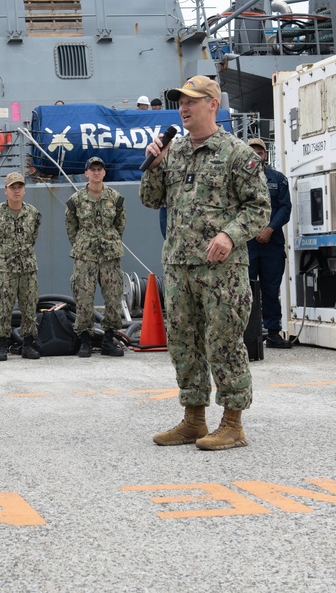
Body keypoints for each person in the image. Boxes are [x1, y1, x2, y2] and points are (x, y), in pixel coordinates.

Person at [139, 75, 269, 451]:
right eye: (180, 101)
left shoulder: (236, 153)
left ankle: (232, 423)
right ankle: (194, 419)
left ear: (212, 104)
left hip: (221, 271)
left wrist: (229, 234)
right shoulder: (175, 151)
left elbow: (259, 208)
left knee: (223, 342)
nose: (184, 107)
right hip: (180, 266)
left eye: (192, 101)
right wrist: (156, 164)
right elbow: (152, 199)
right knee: (184, 343)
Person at [65, 156, 126, 357]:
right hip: (85, 257)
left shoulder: (115, 198)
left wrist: (109, 241)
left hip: (110, 255)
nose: (97, 172)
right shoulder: (76, 200)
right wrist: (83, 244)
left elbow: (119, 225)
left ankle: (109, 340)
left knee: (113, 297)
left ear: (104, 173)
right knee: (83, 297)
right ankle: (85, 340)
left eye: (100, 169)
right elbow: (71, 228)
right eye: (93, 169)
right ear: (87, 173)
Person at [0, 172, 42, 361]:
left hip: (28, 268)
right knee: (3, 307)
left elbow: (33, 237)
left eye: (20, 187)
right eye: (12, 188)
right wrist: (2, 257)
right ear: (5, 190)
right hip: (5, 269)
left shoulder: (33, 213)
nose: (16, 191)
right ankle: (1, 345)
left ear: (24, 190)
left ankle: (28, 345)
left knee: (29, 307)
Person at [246, 138, 293, 349]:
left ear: (265, 155)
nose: (257, 156)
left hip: (272, 243)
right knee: (245, 289)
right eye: (252, 152)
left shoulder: (278, 179)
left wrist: (269, 229)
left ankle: (273, 333)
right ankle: (244, 335)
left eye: (260, 152)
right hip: (247, 244)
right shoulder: (236, 179)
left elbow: (285, 208)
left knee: (271, 289)